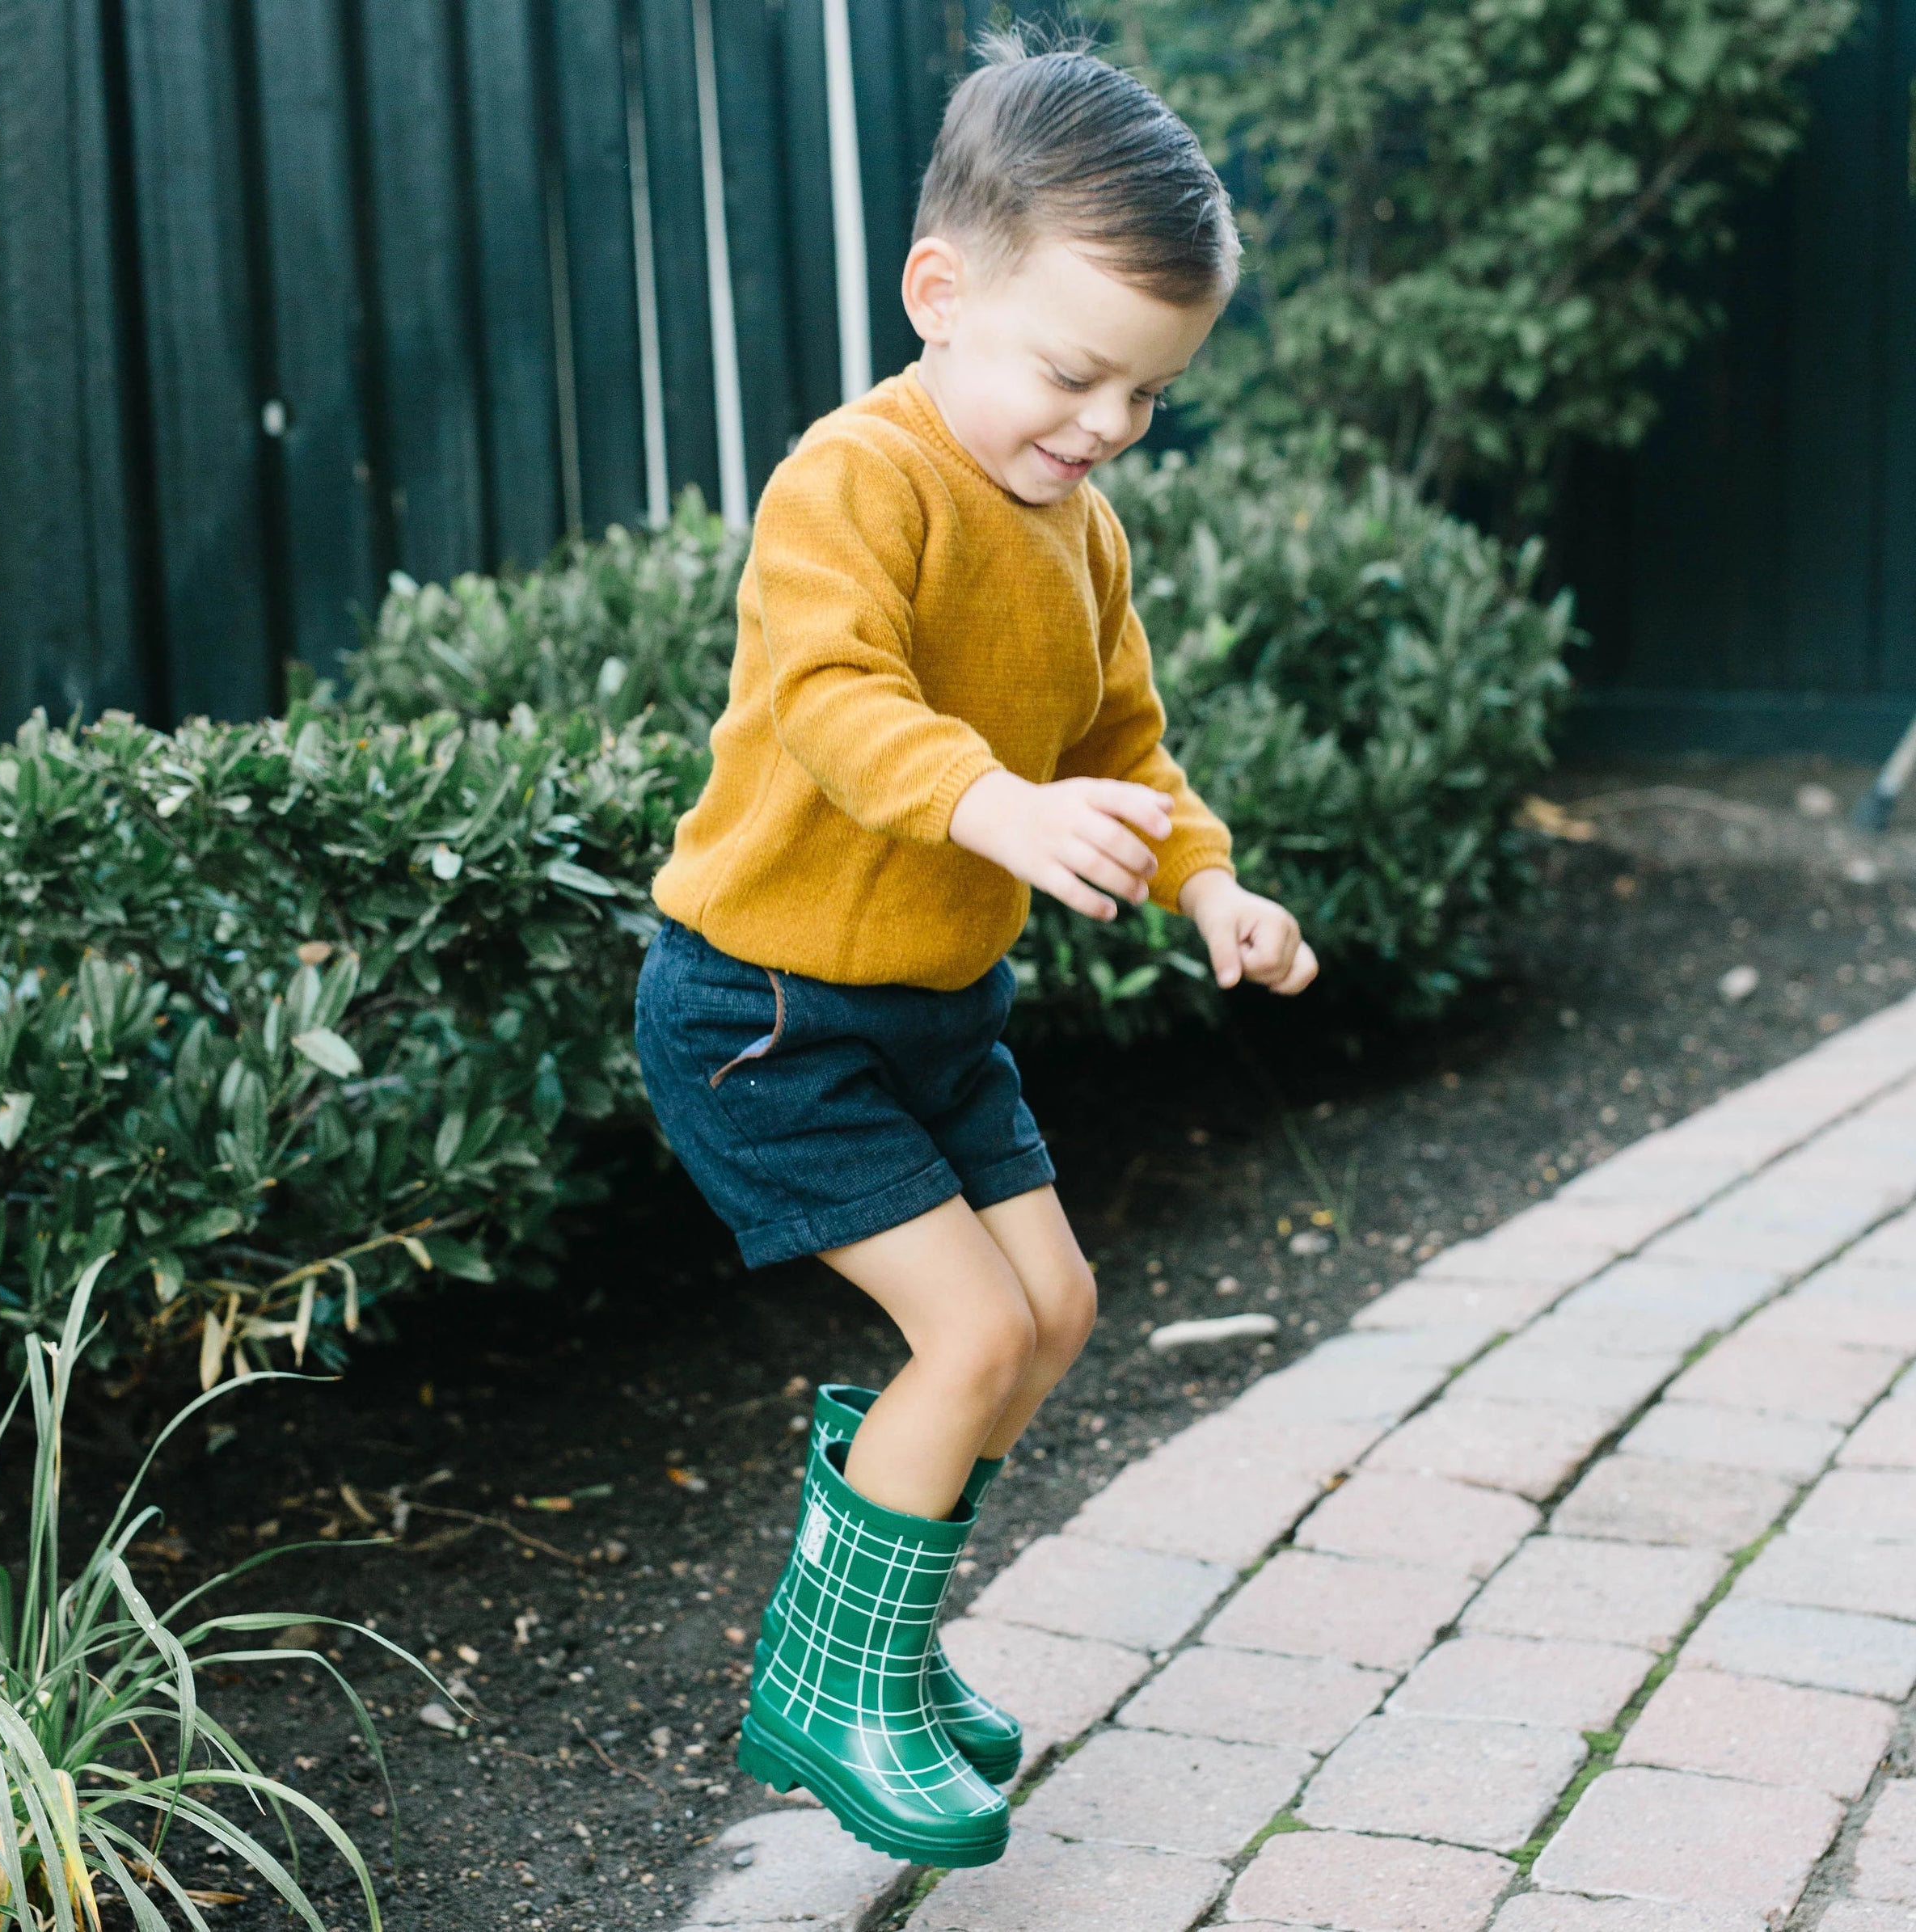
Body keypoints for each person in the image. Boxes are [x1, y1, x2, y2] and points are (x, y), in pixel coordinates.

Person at [633, 32, 1318, 1868]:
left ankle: (879, 1638)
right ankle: (829, 1674)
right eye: (1076, 373)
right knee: (970, 1325)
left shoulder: (1075, 529)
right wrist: (989, 807)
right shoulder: (851, 483)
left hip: (931, 1013)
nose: (1102, 426)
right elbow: (839, 699)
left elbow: (1124, 747)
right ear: (941, 291)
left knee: (1061, 1310)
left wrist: (1205, 885)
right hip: (766, 1010)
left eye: (1145, 398)